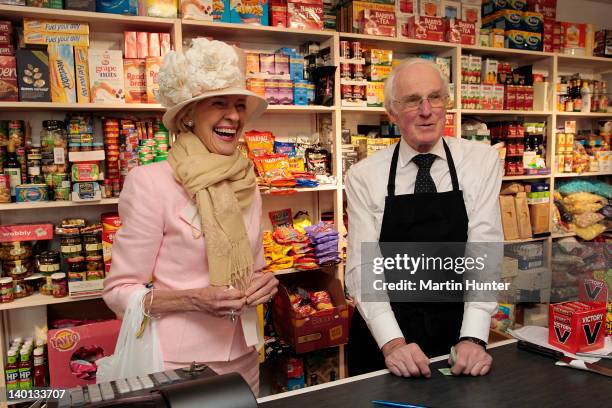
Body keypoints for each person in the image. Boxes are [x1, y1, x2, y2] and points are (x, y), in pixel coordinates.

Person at [103, 38, 278, 395]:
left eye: (240, 105)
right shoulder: (150, 183)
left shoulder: (245, 179)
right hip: (179, 366)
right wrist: (193, 299)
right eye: (219, 103)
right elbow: (118, 291)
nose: (234, 116)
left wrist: (265, 283)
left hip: (245, 354)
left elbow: (255, 267)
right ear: (187, 115)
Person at [345, 58, 503, 378]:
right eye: (413, 100)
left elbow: (484, 250)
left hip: (456, 331)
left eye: (435, 97)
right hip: (386, 334)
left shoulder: (481, 161)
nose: (427, 110)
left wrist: (473, 335)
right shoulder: (364, 175)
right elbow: (362, 267)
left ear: (447, 104)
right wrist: (393, 343)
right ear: (391, 112)